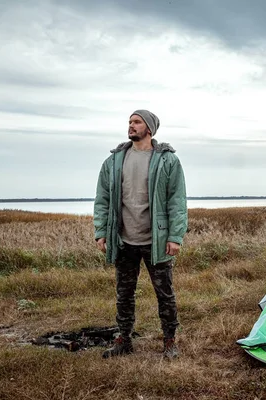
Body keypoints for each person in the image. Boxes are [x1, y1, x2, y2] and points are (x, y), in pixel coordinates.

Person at [94, 109, 188, 359]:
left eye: (136, 122)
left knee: (165, 294)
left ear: (150, 128)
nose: (131, 126)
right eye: (129, 122)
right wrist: (101, 231)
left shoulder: (168, 160)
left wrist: (175, 236)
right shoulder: (114, 161)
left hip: (155, 241)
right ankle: (124, 339)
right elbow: (102, 199)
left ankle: (169, 341)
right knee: (124, 294)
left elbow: (177, 201)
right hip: (123, 239)